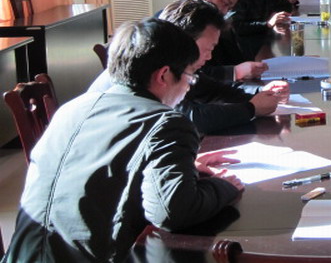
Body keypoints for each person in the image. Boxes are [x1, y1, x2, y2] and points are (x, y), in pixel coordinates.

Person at [3, 19, 244, 262]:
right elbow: (172, 212)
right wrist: (224, 186)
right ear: (163, 75)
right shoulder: (167, 122)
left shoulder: (72, 107)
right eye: (190, 78)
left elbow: (105, 169)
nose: (189, 87)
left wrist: (185, 166)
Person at [91, 0, 288, 134]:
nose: (209, 56)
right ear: (185, 39)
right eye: (208, 48)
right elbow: (190, 118)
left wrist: (260, 93)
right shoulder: (156, 64)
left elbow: (211, 89)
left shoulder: (173, 56)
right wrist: (251, 108)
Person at [189, 0, 266, 81]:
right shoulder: (177, 27)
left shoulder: (220, 26)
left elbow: (238, 59)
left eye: (229, 8)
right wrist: (235, 72)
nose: (225, 12)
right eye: (224, 3)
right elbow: (190, 75)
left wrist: (252, 68)